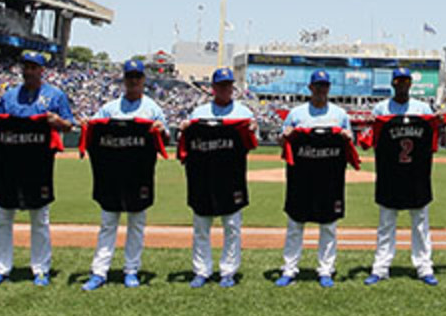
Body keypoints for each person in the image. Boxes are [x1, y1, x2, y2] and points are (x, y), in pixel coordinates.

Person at [0, 51, 74, 287]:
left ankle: (41, 269)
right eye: (26, 66)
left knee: (40, 218)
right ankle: (1, 268)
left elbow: (69, 125)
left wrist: (57, 122)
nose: (29, 71)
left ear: (42, 70)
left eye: (34, 67)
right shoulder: (10, 95)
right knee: (4, 217)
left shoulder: (55, 95)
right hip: (8, 162)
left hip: (39, 163)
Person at [79, 60, 168, 291]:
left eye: (138, 76)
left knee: (136, 224)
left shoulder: (153, 109)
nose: (134, 80)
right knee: (108, 224)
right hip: (111, 173)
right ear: (124, 79)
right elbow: (92, 130)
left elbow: (165, 141)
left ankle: (131, 270)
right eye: (130, 76)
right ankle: (99, 272)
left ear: (144, 80)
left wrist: (160, 130)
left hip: (139, 174)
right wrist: (87, 124)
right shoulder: (109, 108)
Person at [179, 67, 258, 289]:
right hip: (202, 177)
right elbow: (183, 142)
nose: (225, 89)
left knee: (232, 227)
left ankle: (228, 272)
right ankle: (201, 271)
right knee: (201, 226)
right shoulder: (199, 114)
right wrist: (185, 129)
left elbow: (253, 142)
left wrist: (251, 129)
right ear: (213, 88)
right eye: (221, 85)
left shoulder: (243, 114)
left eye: (228, 85)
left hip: (231, 178)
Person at [277, 70, 356, 287]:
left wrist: (348, 137)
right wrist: (285, 136)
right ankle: (289, 269)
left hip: (330, 178)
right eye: (317, 86)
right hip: (301, 178)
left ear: (329, 88)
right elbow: (283, 143)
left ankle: (326, 270)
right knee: (295, 224)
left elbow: (351, 145)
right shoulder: (296, 114)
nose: (321, 90)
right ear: (310, 87)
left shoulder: (340, 115)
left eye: (325, 86)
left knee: (328, 226)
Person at [361, 67, 439, 286]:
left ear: (410, 84)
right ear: (393, 83)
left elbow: (433, 144)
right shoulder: (380, 110)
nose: (402, 84)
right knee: (386, 224)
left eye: (405, 81)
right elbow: (368, 142)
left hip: (417, 175)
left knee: (421, 225)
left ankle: (424, 267)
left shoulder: (423, 109)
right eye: (398, 81)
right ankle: (381, 267)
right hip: (389, 174)